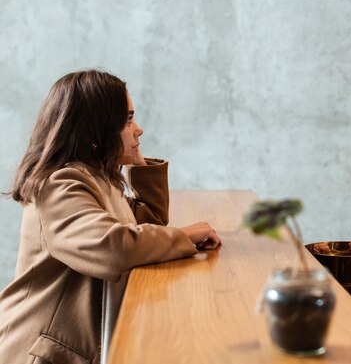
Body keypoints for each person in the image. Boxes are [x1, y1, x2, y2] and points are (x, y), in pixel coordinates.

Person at [0, 70, 221, 364]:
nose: (138, 129)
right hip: (40, 353)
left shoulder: (96, 179)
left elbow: (148, 221)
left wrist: (141, 165)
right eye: (128, 120)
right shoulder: (61, 184)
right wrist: (184, 236)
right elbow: (112, 248)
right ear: (96, 127)